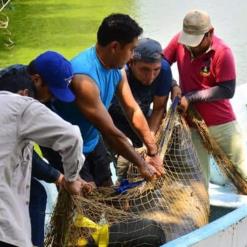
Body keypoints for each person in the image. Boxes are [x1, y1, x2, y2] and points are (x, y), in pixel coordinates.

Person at [44, 13, 165, 189]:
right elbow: (110, 131)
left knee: (107, 187)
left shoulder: (118, 67)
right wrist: (142, 164)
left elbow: (133, 110)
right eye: (131, 49)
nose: (132, 56)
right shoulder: (84, 79)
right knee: (85, 196)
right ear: (115, 47)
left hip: (92, 139)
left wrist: (152, 151)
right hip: (68, 147)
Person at [163, 10, 247, 194]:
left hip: (222, 123)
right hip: (191, 124)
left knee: (245, 169)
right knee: (198, 177)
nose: (191, 47)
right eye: (189, 42)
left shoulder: (222, 52)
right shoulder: (179, 41)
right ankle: (203, 217)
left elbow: (227, 90)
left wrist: (190, 97)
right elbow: (162, 64)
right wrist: (173, 85)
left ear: (210, 32)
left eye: (196, 42)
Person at [0, 55, 87, 247]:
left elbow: (27, 156)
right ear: (35, 81)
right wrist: (71, 179)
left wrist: (58, 176)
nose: (52, 98)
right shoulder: (22, 104)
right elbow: (72, 137)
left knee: (37, 192)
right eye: (52, 92)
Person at [109, 38, 173, 148]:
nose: (150, 77)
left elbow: (158, 108)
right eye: (144, 69)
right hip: (111, 119)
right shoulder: (118, 72)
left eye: (156, 70)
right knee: (122, 160)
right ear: (131, 62)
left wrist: (151, 138)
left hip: (141, 117)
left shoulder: (164, 70)